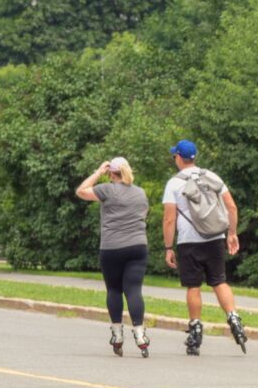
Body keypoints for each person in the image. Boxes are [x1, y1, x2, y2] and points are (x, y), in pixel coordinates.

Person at [160, 140, 245, 355]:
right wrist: (232, 233)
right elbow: (232, 206)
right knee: (219, 281)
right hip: (215, 237)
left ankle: (195, 329)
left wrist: (168, 247)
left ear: (179, 158)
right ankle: (234, 317)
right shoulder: (212, 177)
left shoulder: (174, 184)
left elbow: (169, 219)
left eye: (175, 156)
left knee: (193, 286)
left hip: (189, 241)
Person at [78, 156, 151, 357]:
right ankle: (140, 335)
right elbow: (144, 213)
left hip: (112, 247)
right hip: (137, 246)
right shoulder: (140, 192)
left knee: (114, 290)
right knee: (134, 290)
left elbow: (81, 191)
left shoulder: (106, 190)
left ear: (111, 172)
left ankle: (117, 334)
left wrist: (98, 172)